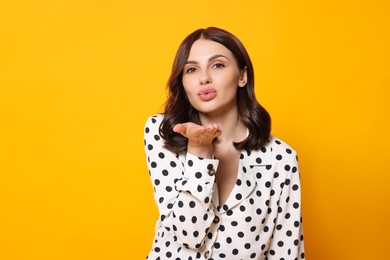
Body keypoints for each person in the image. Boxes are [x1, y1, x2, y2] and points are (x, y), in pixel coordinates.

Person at [143, 27, 305, 260]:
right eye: (191, 69)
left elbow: (286, 251)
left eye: (217, 65)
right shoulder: (163, 134)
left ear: (242, 76)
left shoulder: (280, 158)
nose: (204, 78)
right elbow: (188, 234)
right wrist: (199, 151)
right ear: (183, 81)